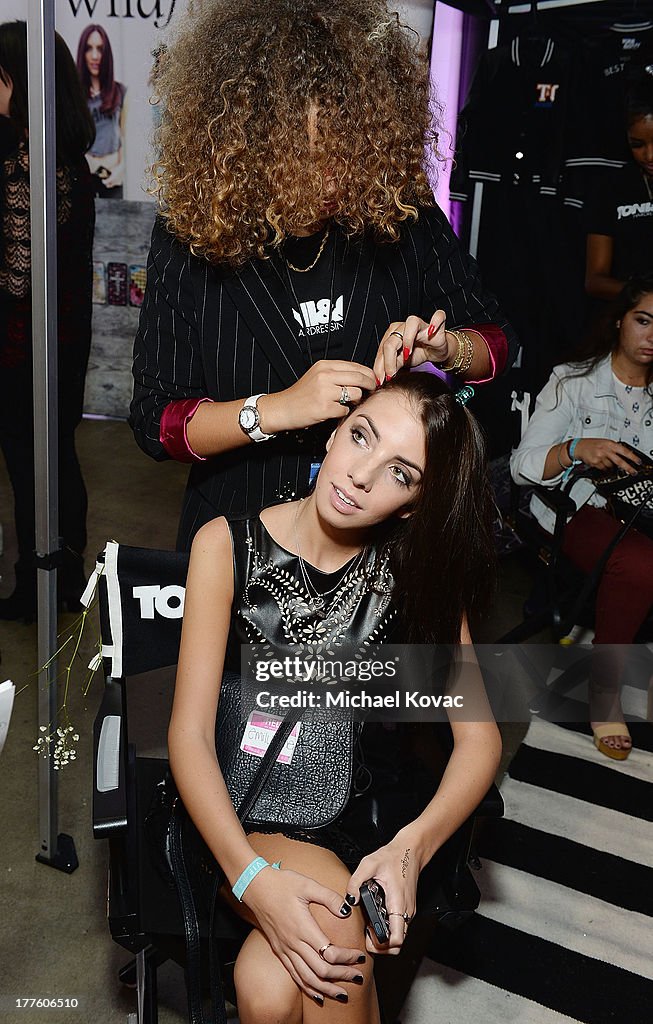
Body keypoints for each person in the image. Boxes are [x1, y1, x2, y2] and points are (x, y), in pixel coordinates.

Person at [169, 370, 502, 1022]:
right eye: (360, 437)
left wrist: (411, 848)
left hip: (357, 815)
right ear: (334, 429)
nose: (359, 475)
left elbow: (479, 738)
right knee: (333, 928)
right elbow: (185, 736)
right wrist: (248, 878)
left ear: (412, 504)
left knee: (267, 993)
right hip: (237, 814)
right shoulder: (225, 544)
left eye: (400, 473)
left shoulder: (413, 572)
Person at [130, 0, 518, 552]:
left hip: (378, 541)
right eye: (305, 153)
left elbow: (499, 343)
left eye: (349, 150)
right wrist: (278, 409)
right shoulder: (190, 232)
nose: (334, 174)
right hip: (240, 534)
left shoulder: (401, 213)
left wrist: (446, 349)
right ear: (247, 146)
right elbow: (157, 422)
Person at [510, 275, 653, 760]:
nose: (651, 335)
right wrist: (576, 449)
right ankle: (604, 691)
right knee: (636, 564)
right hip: (577, 509)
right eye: (643, 320)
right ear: (619, 321)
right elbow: (522, 466)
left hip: (643, 513)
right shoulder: (573, 380)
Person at [0, 21, 95, 621]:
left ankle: (38, 581)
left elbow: (14, 275)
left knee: (30, 460)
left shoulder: (29, 159)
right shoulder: (68, 154)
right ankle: (62, 575)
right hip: (61, 338)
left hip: (24, 345)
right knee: (57, 455)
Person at [585, 74, 653, 301]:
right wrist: (640, 294)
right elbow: (594, 280)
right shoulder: (612, 187)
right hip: (633, 312)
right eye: (637, 144)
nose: (649, 155)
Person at [76, 24, 126, 199]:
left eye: (100, 49)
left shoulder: (121, 92)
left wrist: (121, 169)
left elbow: (126, 138)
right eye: (89, 48)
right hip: (84, 175)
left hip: (112, 177)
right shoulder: (75, 95)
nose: (95, 56)